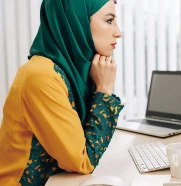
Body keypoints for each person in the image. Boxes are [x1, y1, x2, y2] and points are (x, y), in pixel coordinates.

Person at [0, 0, 124, 185]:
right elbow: (83, 160)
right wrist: (104, 91)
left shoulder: (72, 72)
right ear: (76, 22)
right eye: (109, 20)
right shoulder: (41, 76)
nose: (118, 32)